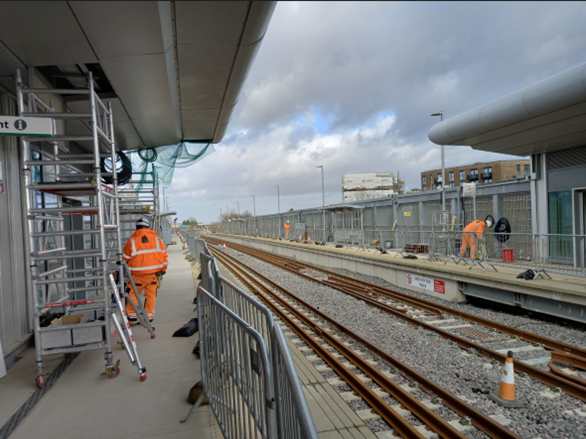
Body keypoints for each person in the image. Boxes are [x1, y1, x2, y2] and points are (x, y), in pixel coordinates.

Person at [123, 217, 168, 322]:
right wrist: (163, 269)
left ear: (136, 227)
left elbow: (125, 258)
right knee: (151, 295)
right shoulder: (157, 239)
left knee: (133, 294)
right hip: (153, 274)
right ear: (148, 227)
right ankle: (149, 316)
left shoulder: (132, 240)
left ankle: (132, 316)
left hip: (136, 275)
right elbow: (164, 256)